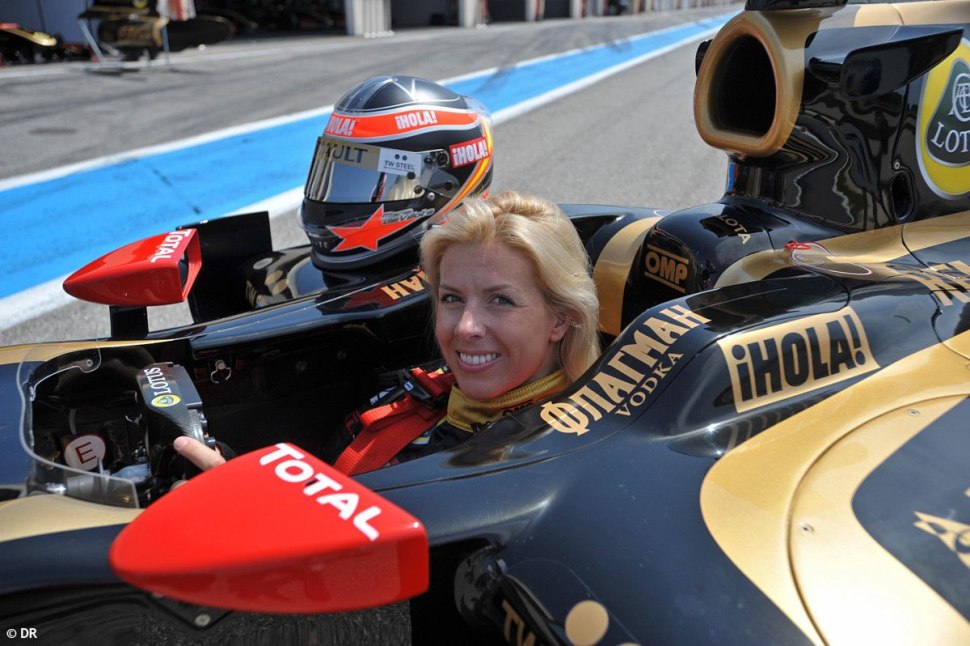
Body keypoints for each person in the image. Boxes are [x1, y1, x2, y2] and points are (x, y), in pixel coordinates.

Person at [175, 191, 601, 473]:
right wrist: (234, 473)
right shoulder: (428, 390)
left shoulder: (550, 458)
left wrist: (247, 512)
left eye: (501, 301)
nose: (466, 327)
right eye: (452, 298)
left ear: (561, 318)